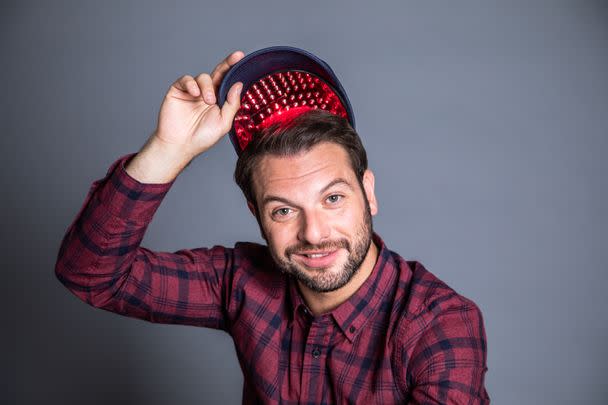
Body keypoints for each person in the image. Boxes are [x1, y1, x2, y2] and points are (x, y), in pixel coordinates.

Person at [55, 48, 490, 404]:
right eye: (284, 211)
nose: (314, 234)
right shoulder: (241, 283)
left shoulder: (439, 326)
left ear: (368, 193)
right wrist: (168, 150)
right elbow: (90, 274)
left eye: (333, 198)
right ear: (256, 213)